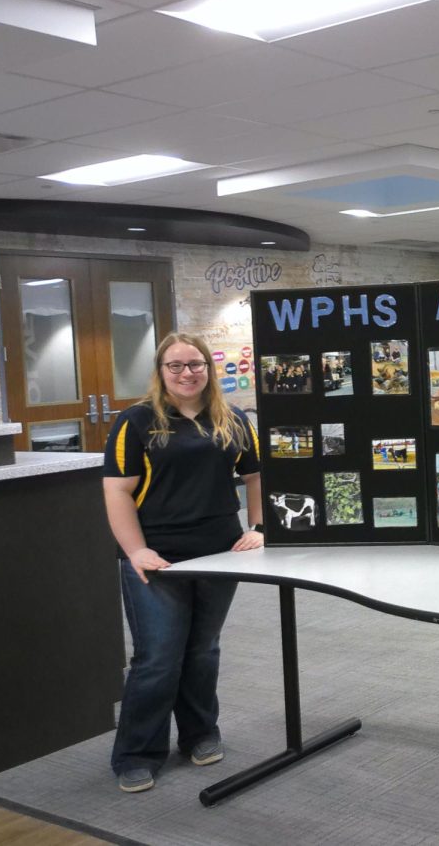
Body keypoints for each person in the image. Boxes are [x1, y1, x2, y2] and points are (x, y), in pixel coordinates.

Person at [103, 332, 263, 794]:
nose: (187, 373)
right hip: (158, 557)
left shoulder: (231, 417)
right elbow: (116, 491)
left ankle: (199, 734)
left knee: (203, 649)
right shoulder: (137, 421)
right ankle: (137, 753)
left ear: (208, 369)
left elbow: (255, 475)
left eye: (195, 364)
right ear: (160, 372)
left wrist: (257, 527)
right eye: (175, 366)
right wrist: (135, 550)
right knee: (157, 659)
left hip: (221, 551)